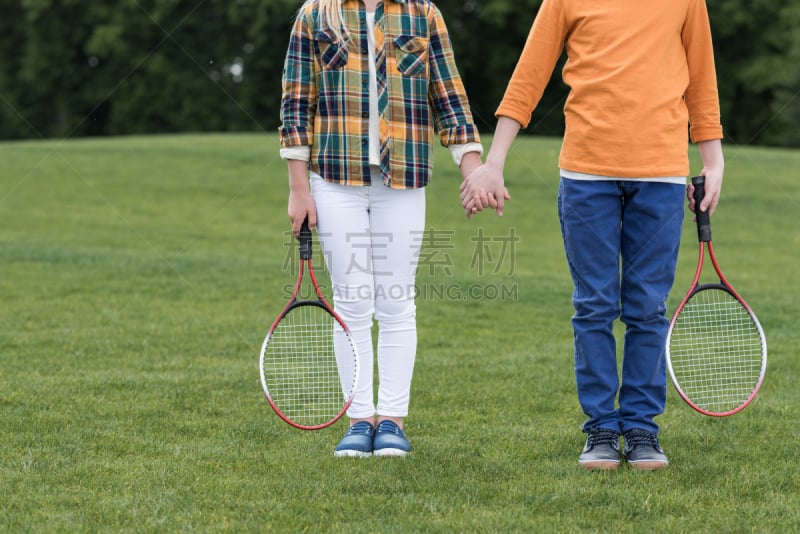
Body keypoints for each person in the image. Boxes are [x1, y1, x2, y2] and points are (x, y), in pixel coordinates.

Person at [461, 0, 725, 470]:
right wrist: (494, 162)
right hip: (585, 175)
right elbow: (529, 74)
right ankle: (602, 426)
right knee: (594, 305)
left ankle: (642, 427)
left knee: (647, 306)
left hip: (661, 175)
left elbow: (702, 77)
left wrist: (713, 160)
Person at [279, 0, 483, 457]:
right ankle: (358, 420)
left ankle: (391, 421)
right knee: (351, 301)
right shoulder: (316, 14)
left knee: (396, 301)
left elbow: (449, 98)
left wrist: (474, 170)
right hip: (333, 181)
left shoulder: (422, 13)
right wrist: (298, 189)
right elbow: (296, 104)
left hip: (404, 179)